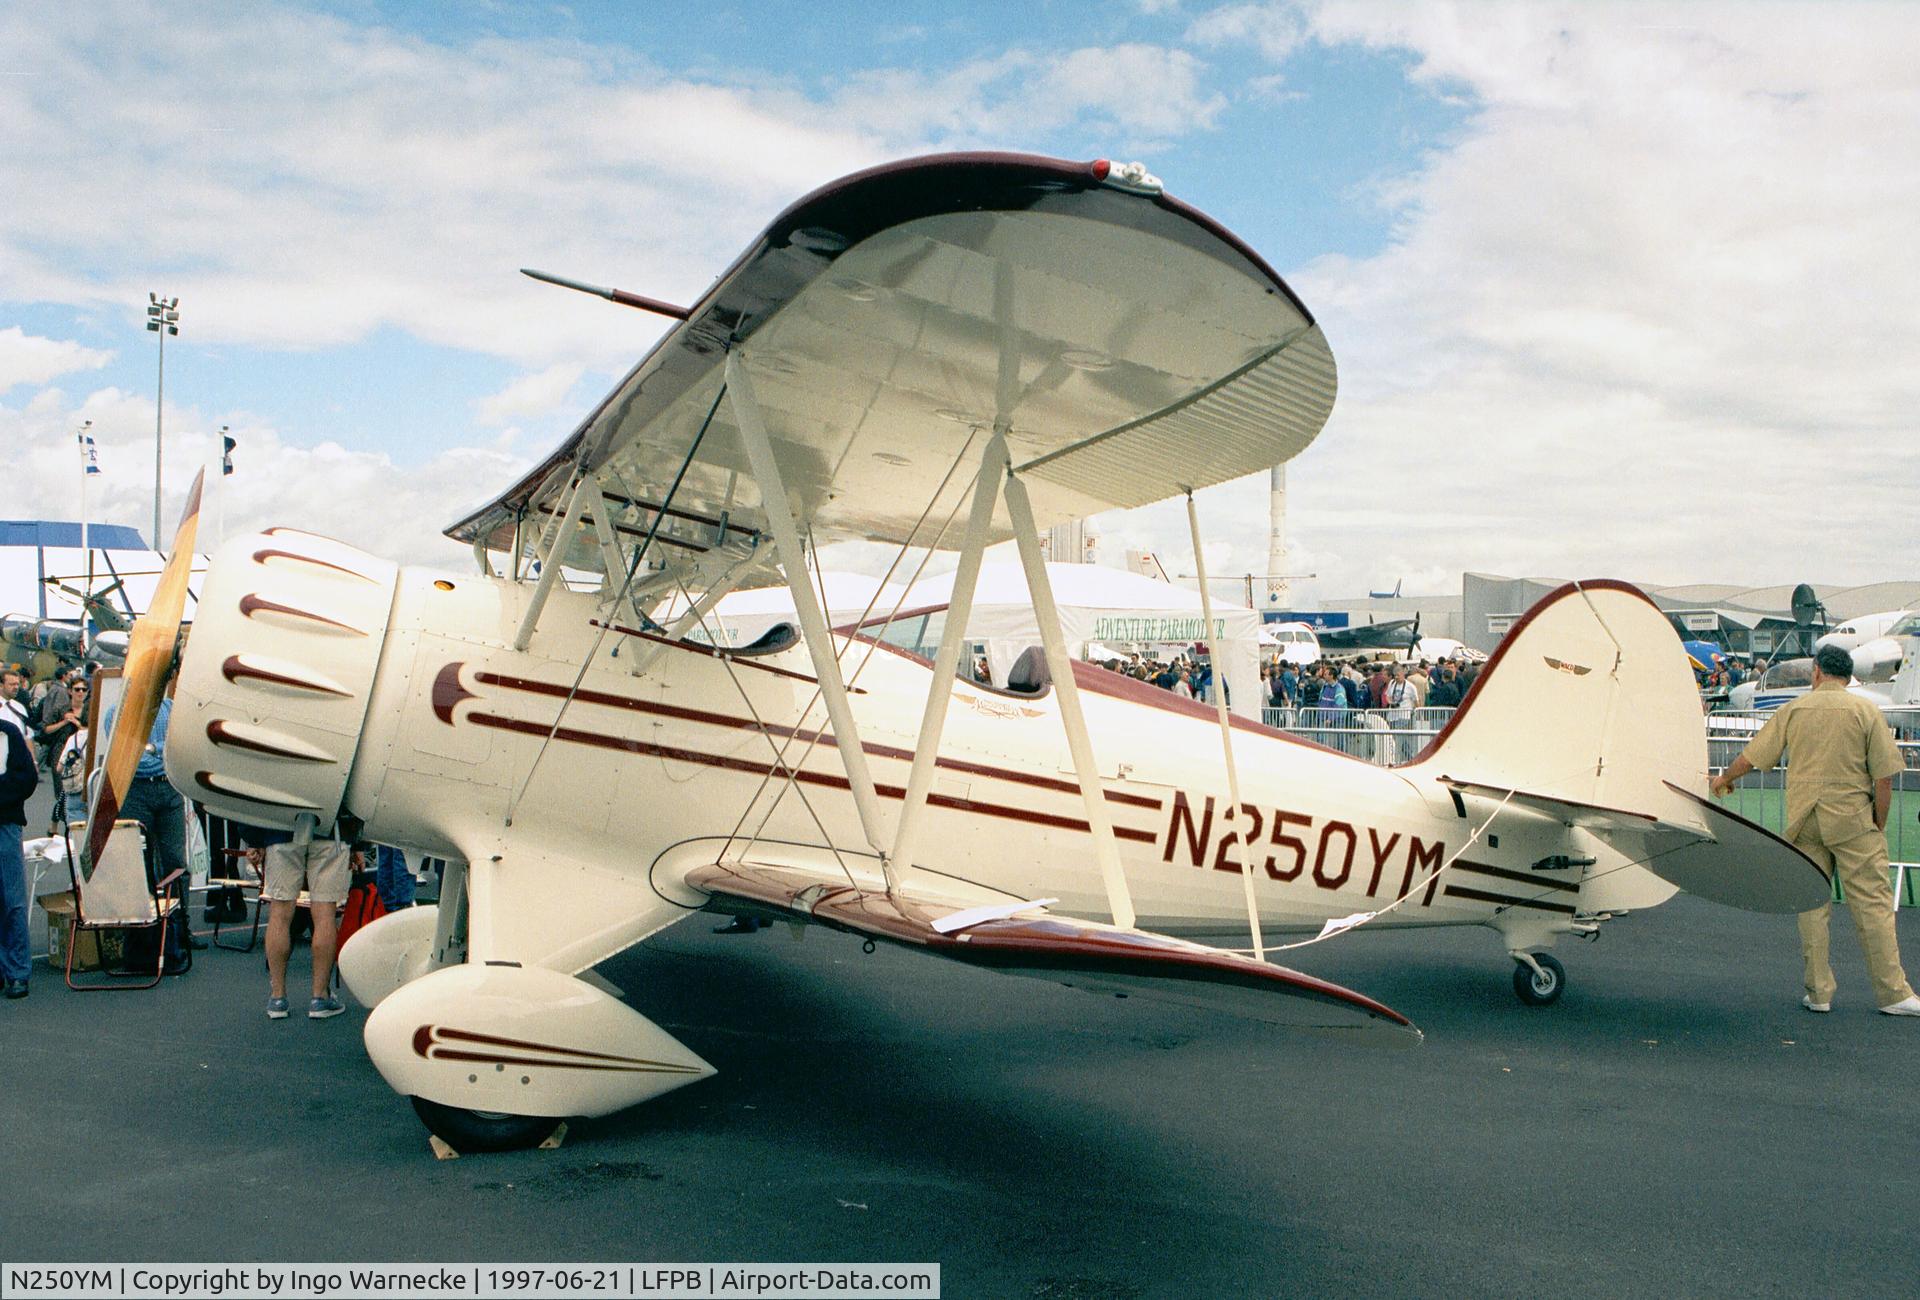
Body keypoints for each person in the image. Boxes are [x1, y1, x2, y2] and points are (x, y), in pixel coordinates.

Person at [1711, 643, 1920, 1016]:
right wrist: (1878, 824)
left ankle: (1819, 992)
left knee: (1812, 906)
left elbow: (1754, 755)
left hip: (1805, 817)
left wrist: (1724, 779)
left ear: (1818, 672)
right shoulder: (1867, 711)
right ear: (1849, 674)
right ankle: (1893, 993)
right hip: (1854, 820)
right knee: (1872, 906)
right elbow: (1884, 777)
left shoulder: (1794, 709)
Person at [260, 823, 352, 1019]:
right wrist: (359, 844)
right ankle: (320, 997)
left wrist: (254, 839)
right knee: (325, 913)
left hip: (281, 827)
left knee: (279, 912)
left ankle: (277, 997)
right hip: (330, 828)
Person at [1, 674, 37, 999]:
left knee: (12, 901)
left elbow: (26, 778)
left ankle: (17, 972)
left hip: (5, 825)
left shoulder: (9, 733)